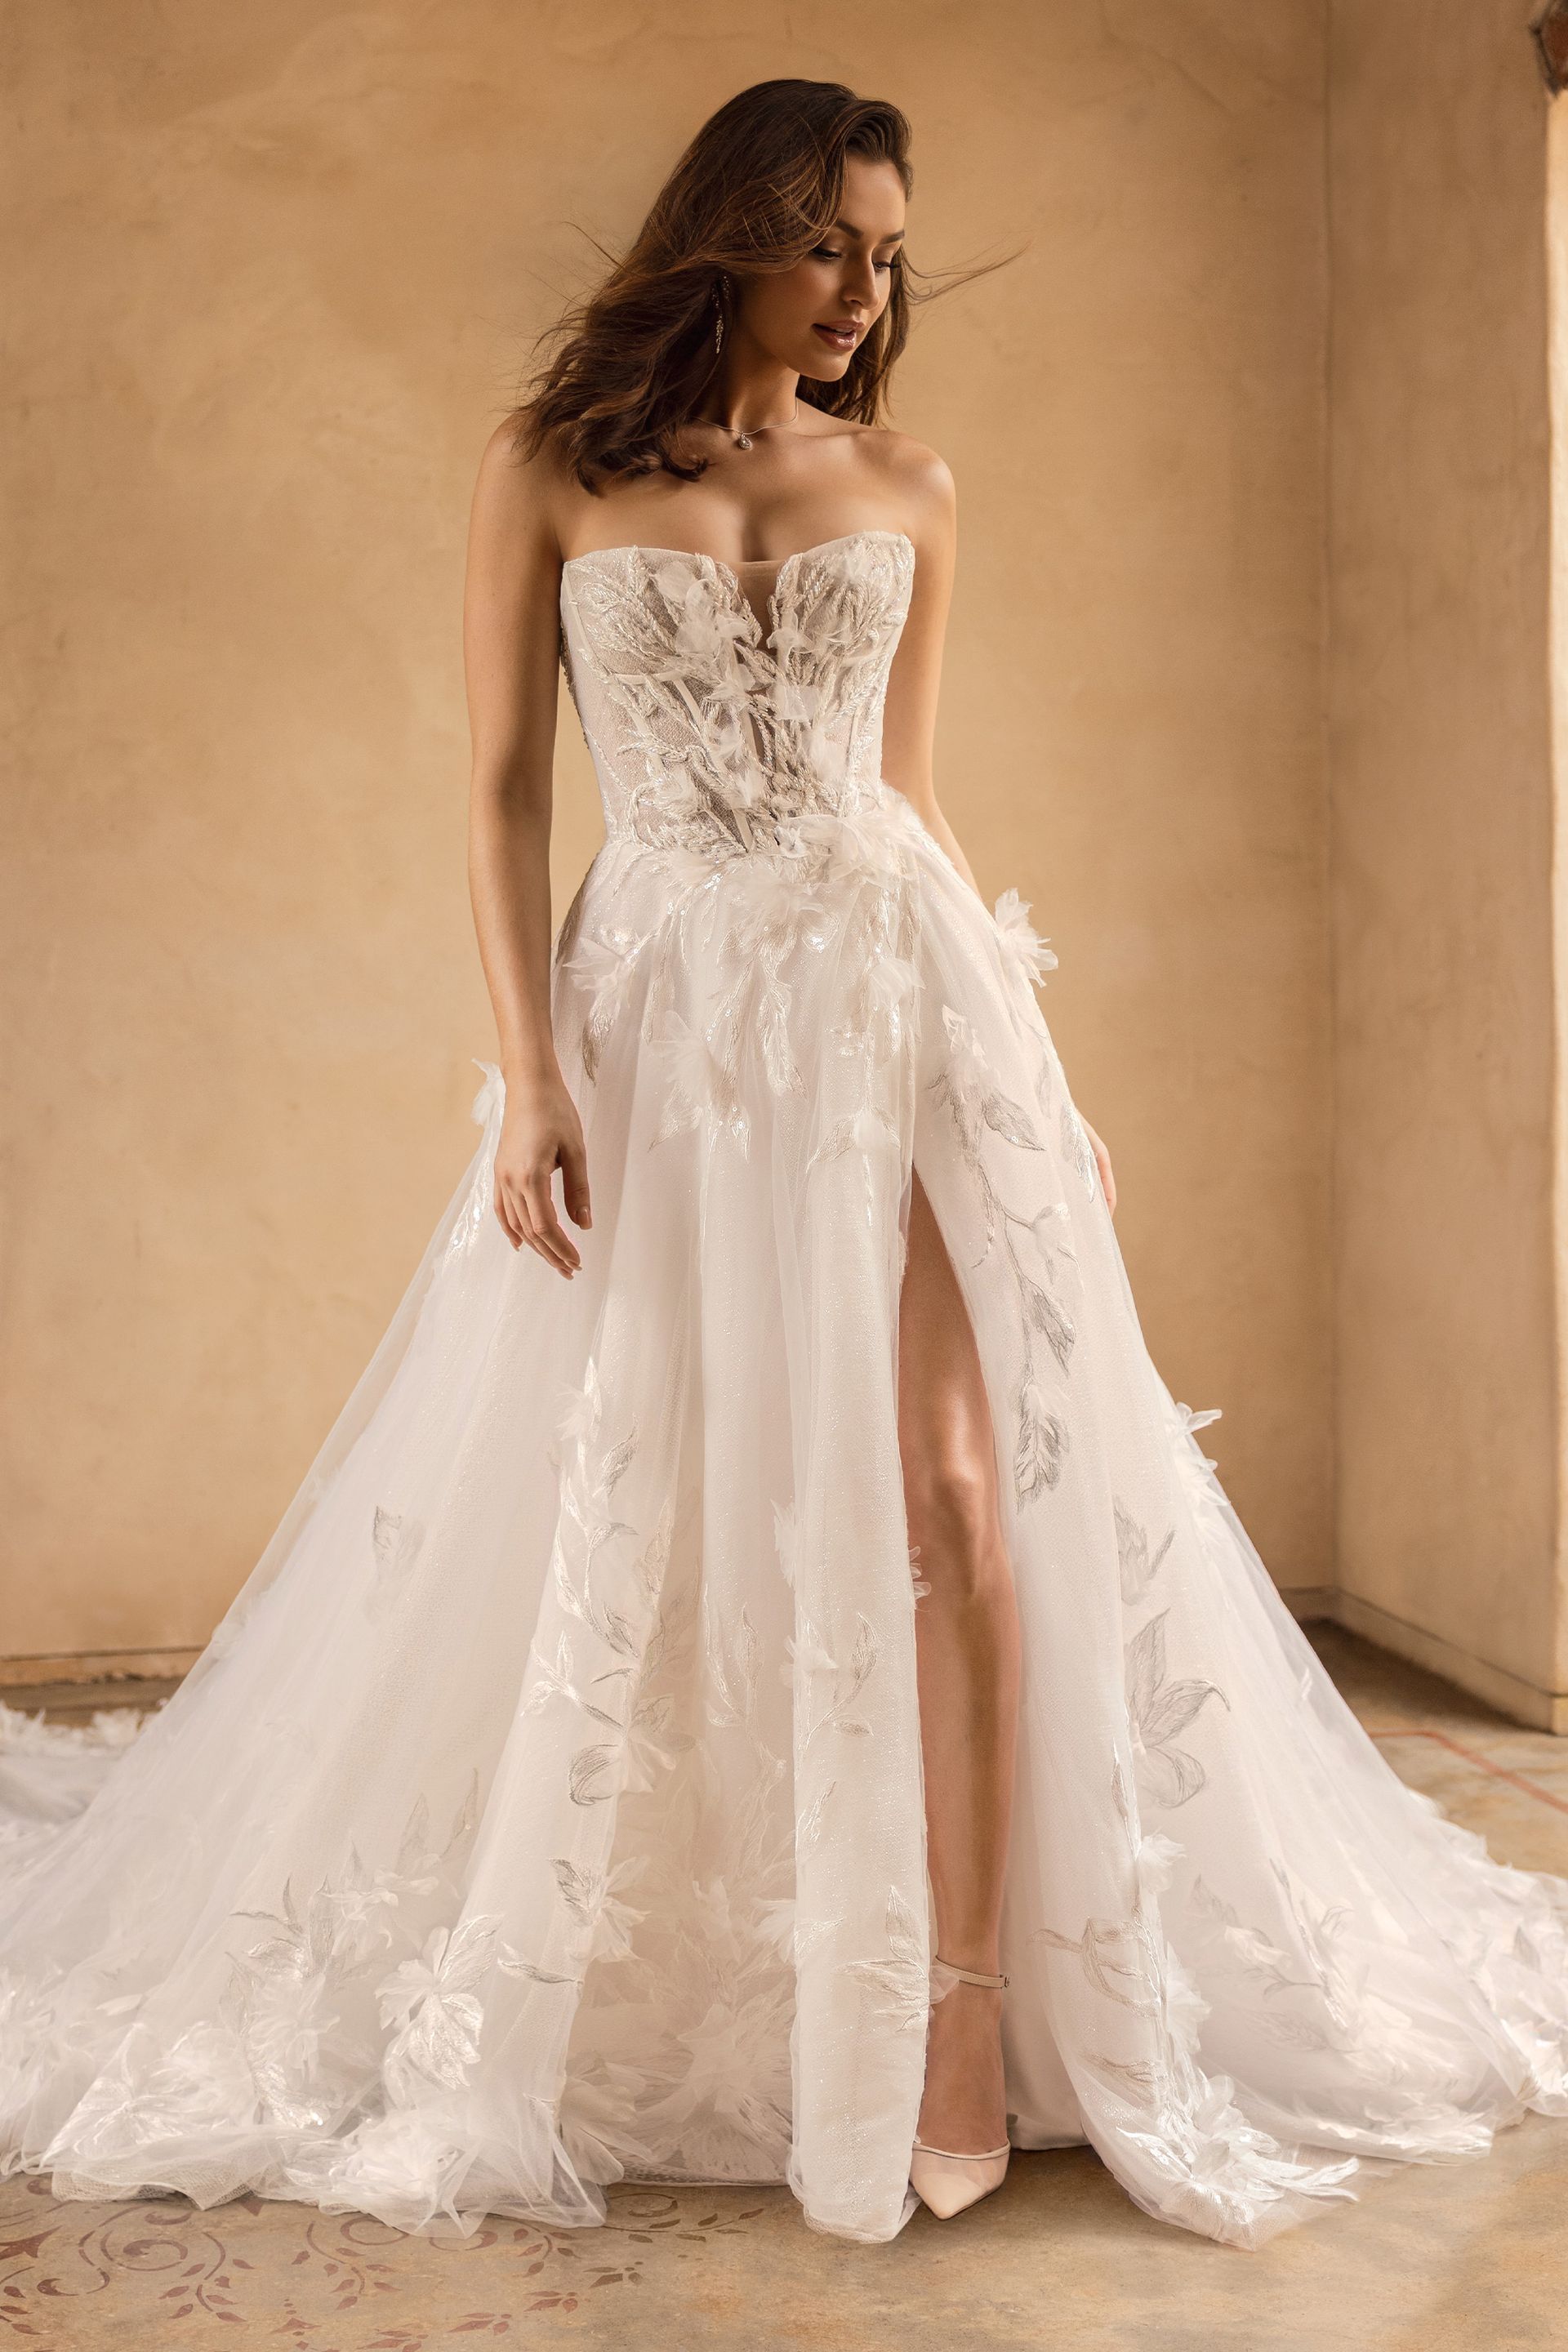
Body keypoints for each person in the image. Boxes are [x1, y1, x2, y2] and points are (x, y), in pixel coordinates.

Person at [2, 78, 1565, 2254]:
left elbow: (905, 797)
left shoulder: (909, 484)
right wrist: (528, 1075)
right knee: (650, 1487)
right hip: (664, 1026)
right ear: (729, 231)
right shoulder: (549, 468)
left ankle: (958, 2008)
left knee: (950, 1490)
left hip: (899, 1009)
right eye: (831, 244)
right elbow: (499, 789)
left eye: (887, 256)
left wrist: (1041, 1074)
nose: (862, 292)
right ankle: (676, 1957)